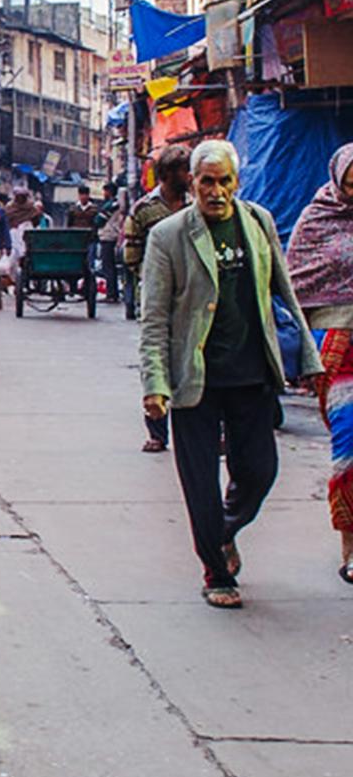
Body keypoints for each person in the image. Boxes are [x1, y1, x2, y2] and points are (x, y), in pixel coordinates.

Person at [139, 140, 323, 608]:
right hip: (193, 377)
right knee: (198, 481)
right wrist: (155, 384)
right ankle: (217, 572)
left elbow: (283, 288)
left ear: (236, 183)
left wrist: (308, 358)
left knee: (260, 470)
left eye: (224, 181)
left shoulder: (258, 221)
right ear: (192, 183)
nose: (215, 191)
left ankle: (222, 530)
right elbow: (155, 317)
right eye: (206, 181)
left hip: (251, 372)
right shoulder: (168, 235)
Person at [281, 143, 353, 585]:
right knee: (349, 445)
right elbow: (294, 284)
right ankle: (350, 545)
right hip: (338, 344)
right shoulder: (317, 219)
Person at [124, 144, 193, 451]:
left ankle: (202, 425)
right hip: (157, 298)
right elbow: (131, 255)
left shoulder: (199, 205)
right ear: (165, 174)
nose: (188, 176)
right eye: (182, 170)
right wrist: (154, 281)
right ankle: (157, 430)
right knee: (156, 358)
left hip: (196, 296)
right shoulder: (143, 210)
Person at [95, 182, 124, 304]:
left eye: (105, 191)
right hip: (111, 236)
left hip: (108, 236)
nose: (104, 194)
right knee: (110, 266)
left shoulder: (111, 205)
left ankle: (111, 294)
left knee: (108, 267)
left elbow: (99, 220)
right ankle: (113, 293)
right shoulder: (116, 204)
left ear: (109, 192)